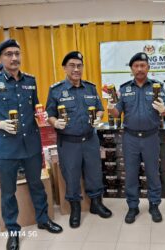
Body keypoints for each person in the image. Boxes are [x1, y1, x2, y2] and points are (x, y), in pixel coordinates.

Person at [0, 39, 63, 250]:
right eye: (9, 54)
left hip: (32, 143)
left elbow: (35, 106)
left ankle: (43, 219)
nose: (14, 58)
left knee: (37, 185)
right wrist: (0, 123)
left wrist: (41, 114)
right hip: (7, 146)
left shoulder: (30, 81)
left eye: (17, 53)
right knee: (8, 191)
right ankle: (13, 231)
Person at [46, 51, 112, 229]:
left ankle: (96, 204)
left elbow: (99, 108)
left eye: (79, 65)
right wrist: (55, 122)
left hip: (90, 139)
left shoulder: (90, 88)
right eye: (72, 65)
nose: (76, 69)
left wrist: (98, 117)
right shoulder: (56, 90)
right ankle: (75, 208)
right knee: (72, 175)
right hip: (68, 142)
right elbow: (49, 114)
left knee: (94, 172)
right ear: (65, 68)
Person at [107, 52, 165, 224]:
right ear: (131, 69)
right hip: (130, 138)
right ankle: (132, 206)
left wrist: (163, 109)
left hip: (151, 137)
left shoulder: (157, 87)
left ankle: (154, 205)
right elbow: (116, 112)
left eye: (143, 65)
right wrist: (110, 106)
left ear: (148, 67)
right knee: (132, 174)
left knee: (153, 174)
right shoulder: (124, 88)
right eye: (136, 66)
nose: (140, 69)